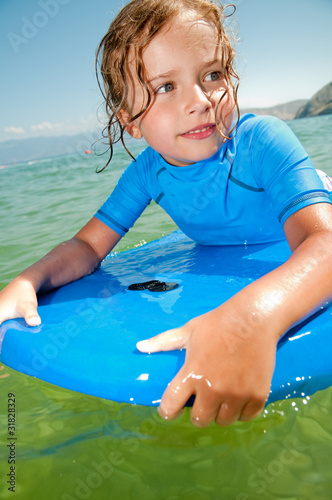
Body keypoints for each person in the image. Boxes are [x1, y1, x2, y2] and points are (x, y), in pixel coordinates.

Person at [1, 0, 332, 428]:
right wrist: (29, 280)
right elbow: (87, 245)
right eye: (165, 87)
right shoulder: (146, 173)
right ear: (130, 122)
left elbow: (323, 245)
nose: (199, 101)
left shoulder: (262, 141)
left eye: (212, 74)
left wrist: (251, 319)